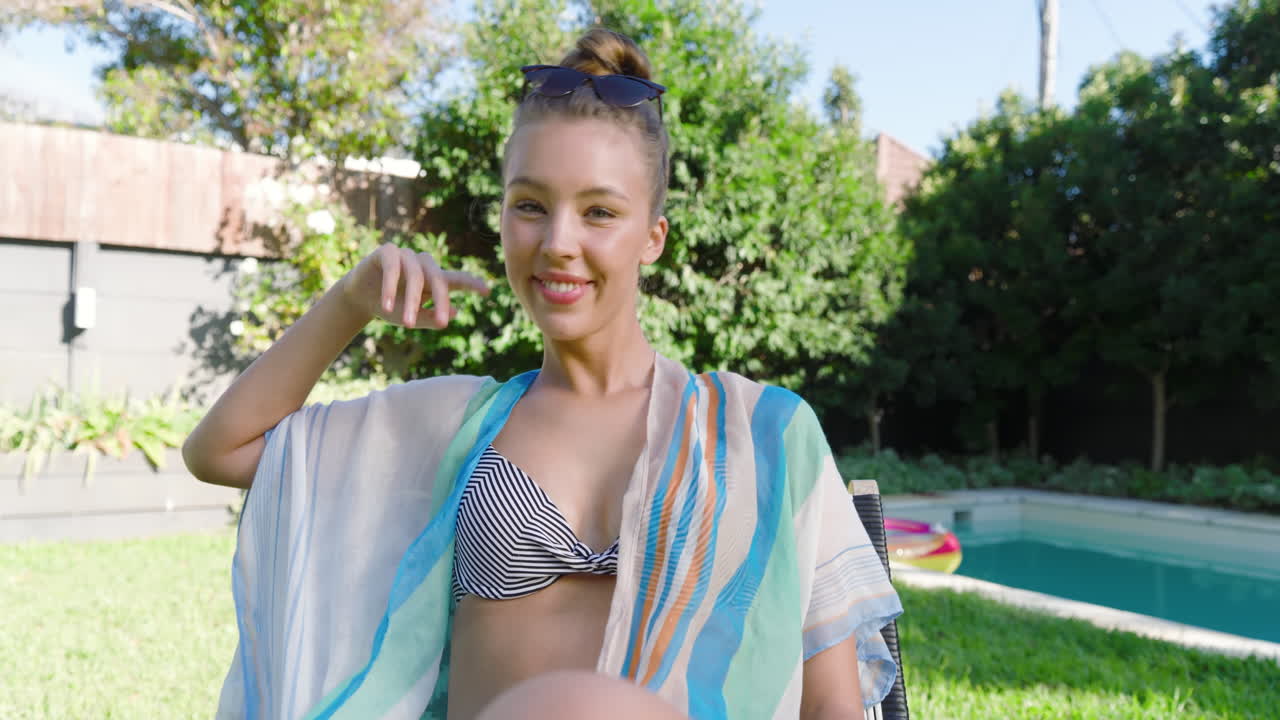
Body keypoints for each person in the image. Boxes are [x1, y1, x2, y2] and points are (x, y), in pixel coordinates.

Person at [184, 27, 902, 720]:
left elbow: (831, 705)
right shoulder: (454, 429)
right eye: (530, 206)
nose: (558, 242)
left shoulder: (763, 432)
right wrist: (348, 303)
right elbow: (221, 450)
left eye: (599, 212)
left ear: (652, 237)